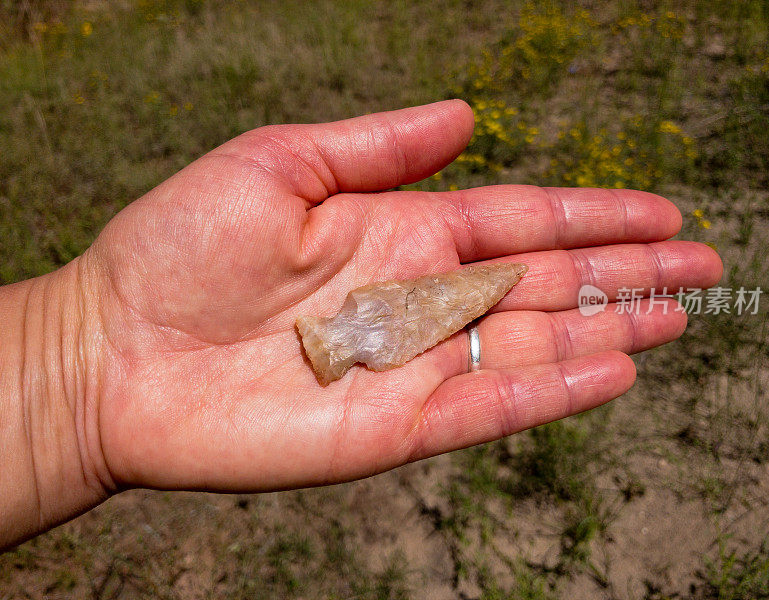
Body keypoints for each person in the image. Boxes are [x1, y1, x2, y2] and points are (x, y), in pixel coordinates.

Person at [0, 100, 722, 550]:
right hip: (373, 328)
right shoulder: (354, 329)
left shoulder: (418, 308)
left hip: (389, 323)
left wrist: (71, 389)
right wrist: (73, 380)